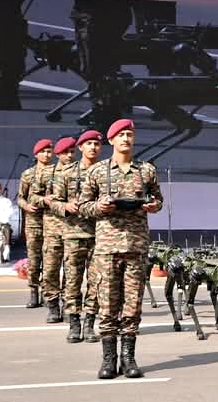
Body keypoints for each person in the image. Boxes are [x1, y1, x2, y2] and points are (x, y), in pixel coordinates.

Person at [78, 119, 163, 379]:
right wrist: (100, 207)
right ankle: (108, 359)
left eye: (130, 134)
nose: (126, 138)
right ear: (111, 140)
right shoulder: (97, 172)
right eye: (121, 135)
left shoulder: (146, 170)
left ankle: (128, 358)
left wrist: (152, 206)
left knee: (132, 305)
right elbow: (83, 206)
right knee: (107, 304)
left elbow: (158, 200)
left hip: (136, 246)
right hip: (106, 247)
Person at [53, 130, 103, 343]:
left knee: (96, 281)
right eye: (88, 143)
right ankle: (74, 322)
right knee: (72, 281)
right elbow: (53, 202)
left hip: (100, 234)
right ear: (80, 147)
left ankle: (90, 323)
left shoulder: (106, 171)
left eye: (96, 144)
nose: (93, 147)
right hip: (73, 233)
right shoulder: (66, 173)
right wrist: (66, 206)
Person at [33, 136, 76, 323]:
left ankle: (69, 305)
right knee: (50, 269)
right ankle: (52, 305)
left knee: (71, 269)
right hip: (52, 228)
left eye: (72, 152)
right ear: (58, 154)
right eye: (66, 152)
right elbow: (32, 197)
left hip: (73, 227)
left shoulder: (79, 172)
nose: (69, 155)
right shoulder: (46, 173)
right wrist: (44, 200)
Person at [18, 138, 52, 308]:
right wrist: (27, 206)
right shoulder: (28, 174)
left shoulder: (56, 173)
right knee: (33, 260)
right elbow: (20, 198)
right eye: (43, 151)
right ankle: (34, 292)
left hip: (52, 222)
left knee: (50, 261)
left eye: (49, 151)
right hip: (33, 223)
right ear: (36, 154)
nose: (46, 154)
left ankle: (48, 293)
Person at [0, 187, 13, 263]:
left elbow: (9, 213)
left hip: (4, 224)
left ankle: (4, 257)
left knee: (5, 243)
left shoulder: (6, 201)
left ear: (1, 190)